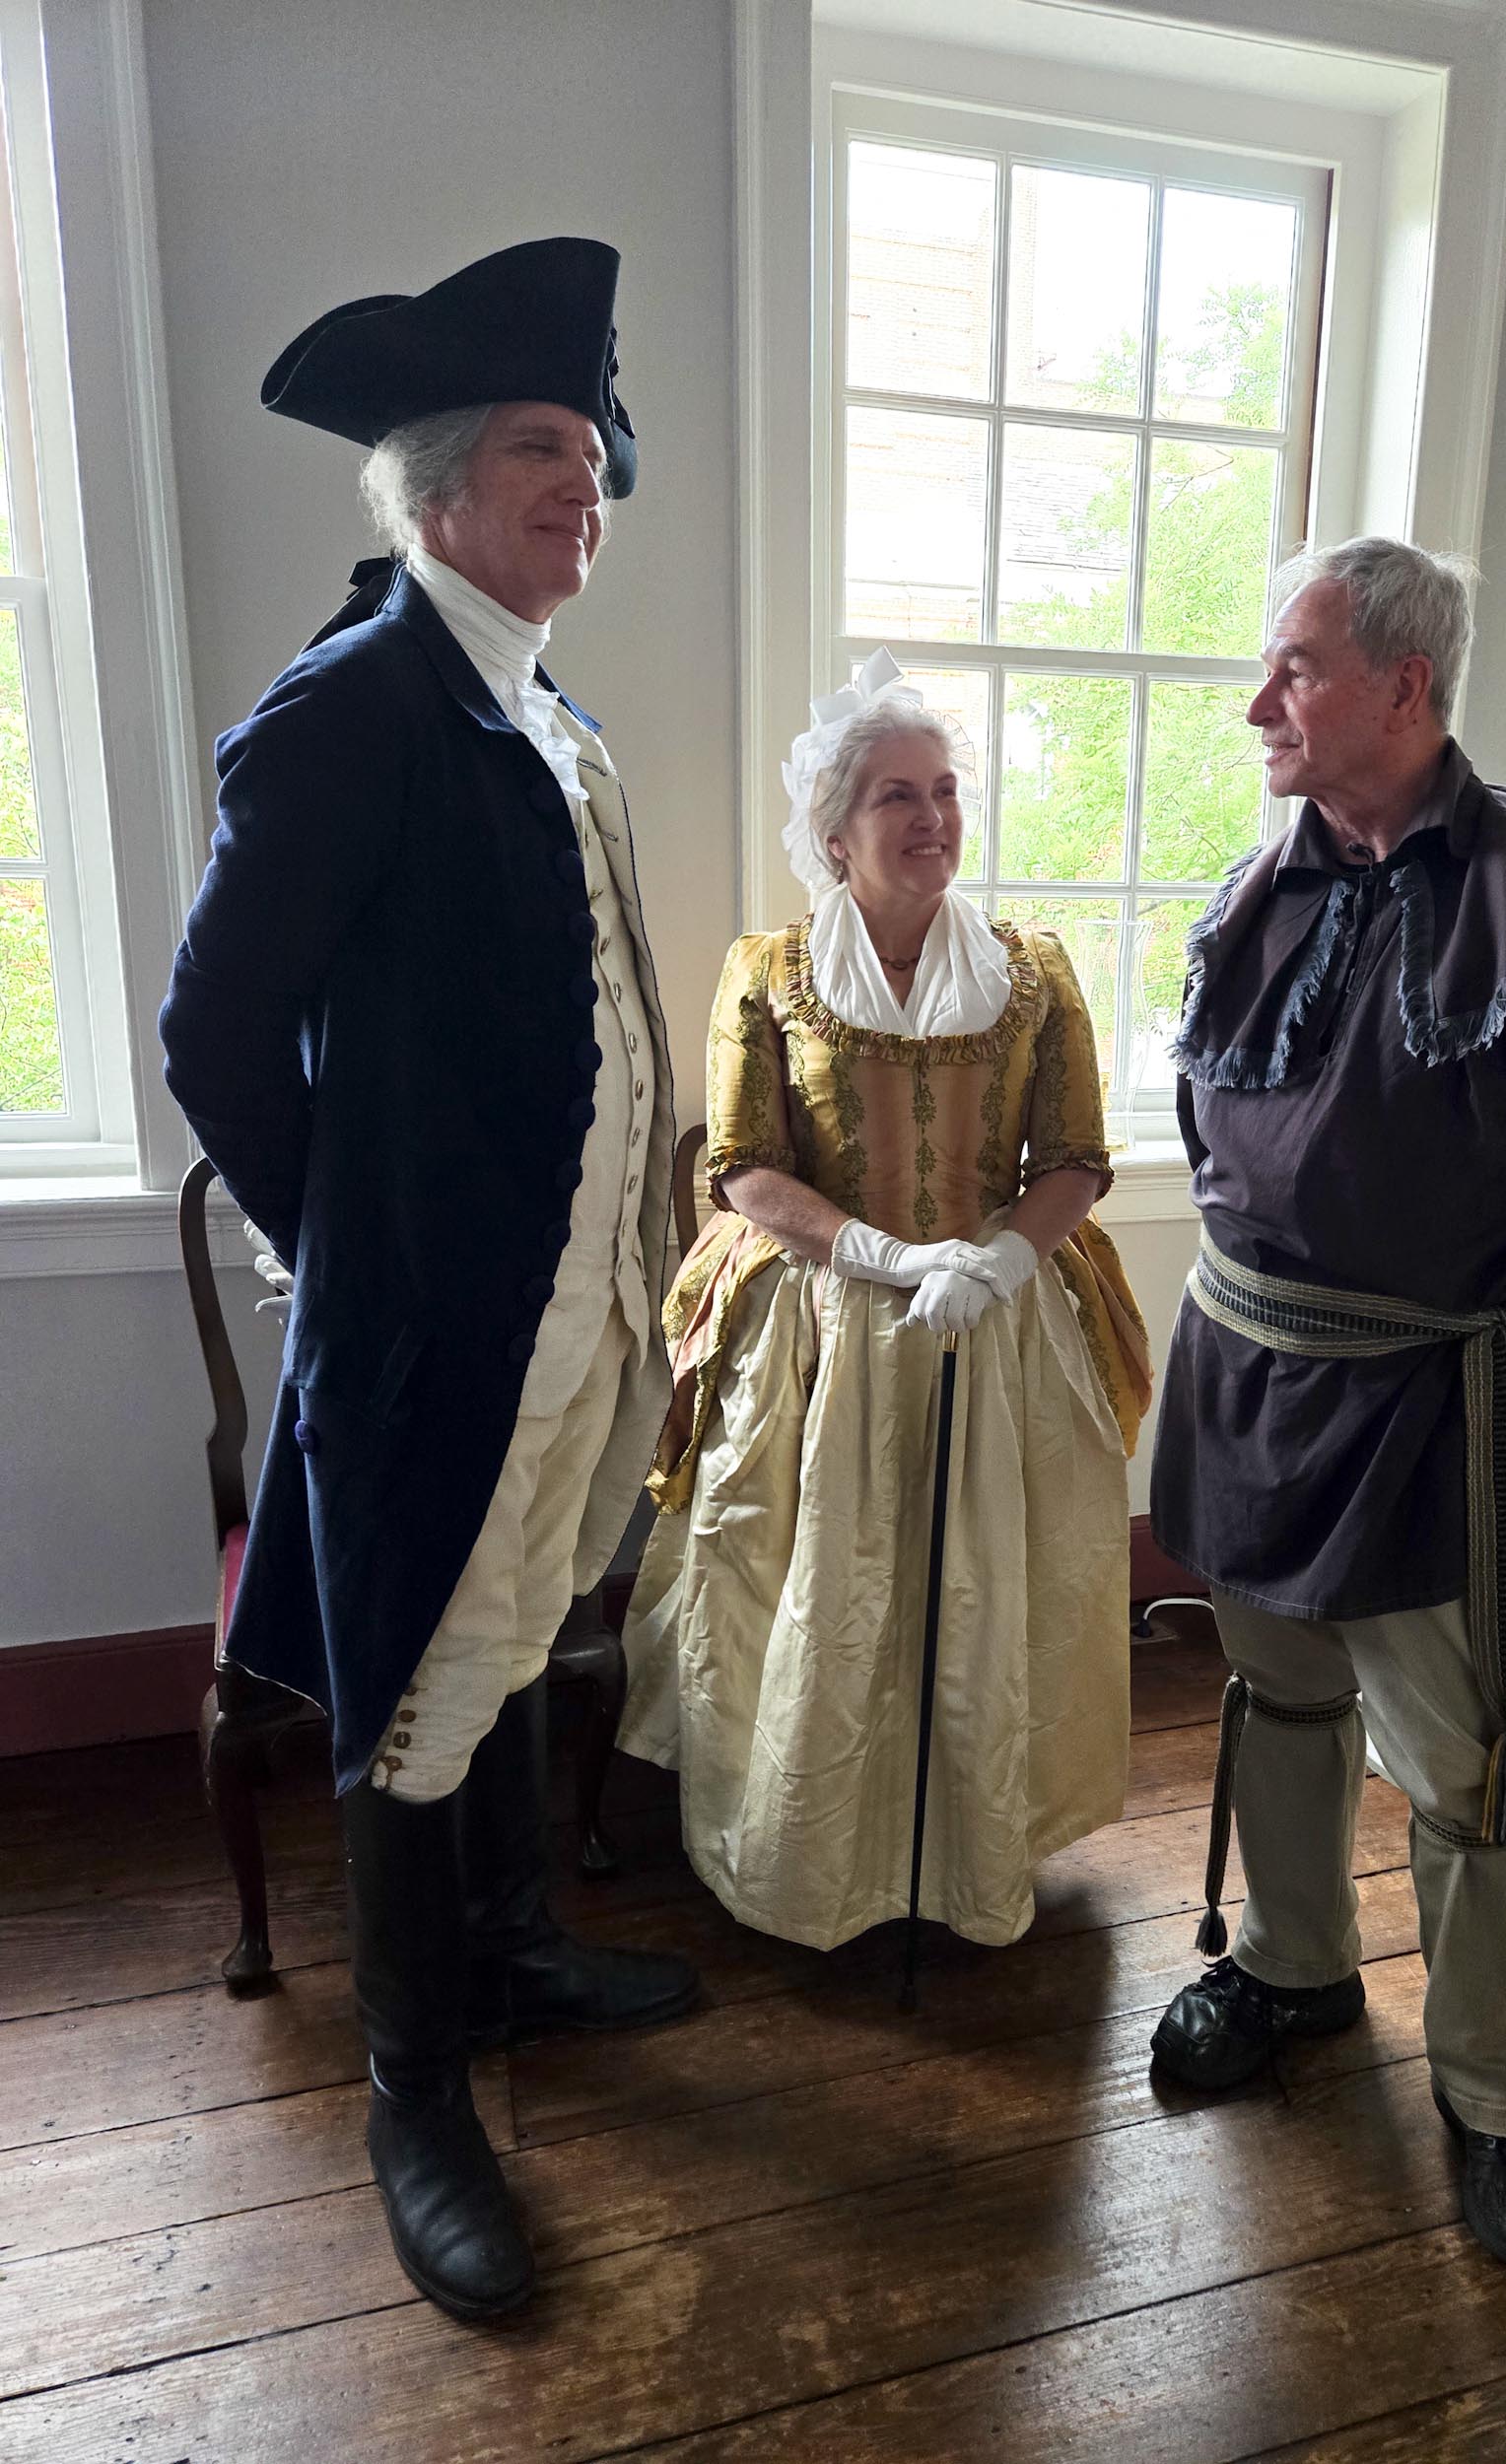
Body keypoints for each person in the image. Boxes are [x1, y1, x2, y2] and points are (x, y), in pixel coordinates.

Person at [159, 240, 698, 2321]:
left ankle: (513, 1948)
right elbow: (216, 1034)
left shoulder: (547, 712)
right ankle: (416, 2089)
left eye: (592, 451)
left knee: (518, 1627)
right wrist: (355, 1254)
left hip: (571, 1311)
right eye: (541, 449)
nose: (584, 484)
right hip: (435, 1335)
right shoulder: (353, 707)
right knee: (411, 1695)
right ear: (438, 485)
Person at [1146, 537, 1506, 2273]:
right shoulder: (1269, 880)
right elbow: (1210, 1117)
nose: (1259, 704)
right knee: (1279, 1691)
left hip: (1426, 1398)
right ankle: (1294, 1966)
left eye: (1296, 668)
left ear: (1405, 684)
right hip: (1246, 1370)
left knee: (1466, 1760)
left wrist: (1461, 1322)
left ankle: (1500, 2094)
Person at [619, 651, 1151, 1954]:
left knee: (983, 1583)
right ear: (835, 832)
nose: (932, 818)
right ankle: (808, 1850)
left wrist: (998, 1261)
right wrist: (883, 1256)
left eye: (946, 791)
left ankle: (970, 1846)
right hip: (823, 1319)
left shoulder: (1034, 971)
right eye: (897, 796)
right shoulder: (768, 971)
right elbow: (743, 1168)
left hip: (998, 1315)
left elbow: (1074, 1158)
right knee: (822, 1581)